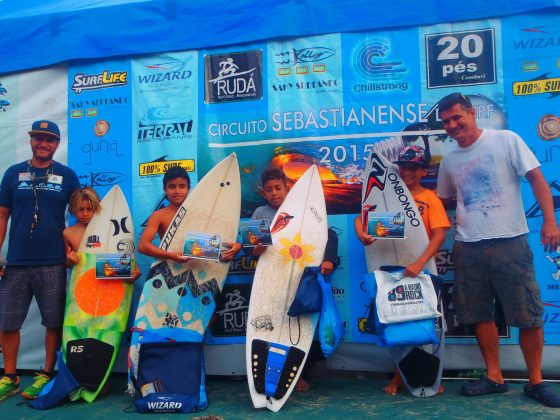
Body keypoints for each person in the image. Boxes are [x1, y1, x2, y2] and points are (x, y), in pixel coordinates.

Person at [436, 92, 560, 407]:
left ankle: (535, 381)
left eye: (456, 118)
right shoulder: (449, 161)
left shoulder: (506, 140)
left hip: (511, 242)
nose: (452, 125)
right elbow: (447, 198)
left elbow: (537, 180)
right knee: (478, 314)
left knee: (529, 315)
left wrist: (549, 221)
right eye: (446, 122)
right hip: (468, 247)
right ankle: (494, 376)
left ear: (472, 113)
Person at [354, 145, 450, 396]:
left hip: (422, 270)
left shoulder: (430, 199)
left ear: (423, 170)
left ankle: (427, 377)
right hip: (391, 271)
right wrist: (361, 234)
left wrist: (420, 262)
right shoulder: (386, 196)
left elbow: (439, 235)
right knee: (397, 324)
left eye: (414, 168)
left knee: (425, 324)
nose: (408, 172)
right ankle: (401, 377)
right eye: (404, 167)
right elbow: (361, 217)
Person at [0, 120, 80, 401]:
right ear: (31, 141)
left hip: (53, 262)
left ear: (57, 144)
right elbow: (2, 216)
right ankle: (9, 377)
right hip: (16, 263)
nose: (44, 144)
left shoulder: (69, 176)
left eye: (50, 140)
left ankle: (47, 372)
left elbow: (79, 217)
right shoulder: (12, 174)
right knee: (8, 322)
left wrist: (74, 251)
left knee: (53, 322)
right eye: (39, 138)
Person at [252, 168, 339, 391]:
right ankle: (268, 375)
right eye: (269, 190)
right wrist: (257, 247)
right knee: (271, 327)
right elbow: (252, 250)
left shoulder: (302, 209)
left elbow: (328, 235)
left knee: (298, 327)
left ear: (287, 187)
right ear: (263, 192)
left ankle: (298, 375)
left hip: (300, 279)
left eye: (278, 188)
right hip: (271, 280)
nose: (274, 193)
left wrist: (329, 259)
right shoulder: (260, 214)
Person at [138, 166, 241, 262]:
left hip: (201, 269)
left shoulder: (202, 212)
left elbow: (215, 240)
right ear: (165, 189)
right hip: (170, 269)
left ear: (188, 188)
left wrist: (236, 246)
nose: (177, 191)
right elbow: (143, 246)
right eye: (172, 187)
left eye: (182, 186)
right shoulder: (158, 215)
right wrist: (171, 256)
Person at [63, 187, 141, 280]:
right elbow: (67, 264)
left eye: (89, 209)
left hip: (111, 282)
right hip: (83, 281)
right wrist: (70, 261)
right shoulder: (68, 233)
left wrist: (135, 269)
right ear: (74, 209)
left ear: (96, 207)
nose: (85, 213)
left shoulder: (111, 228)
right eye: (81, 209)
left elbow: (123, 251)